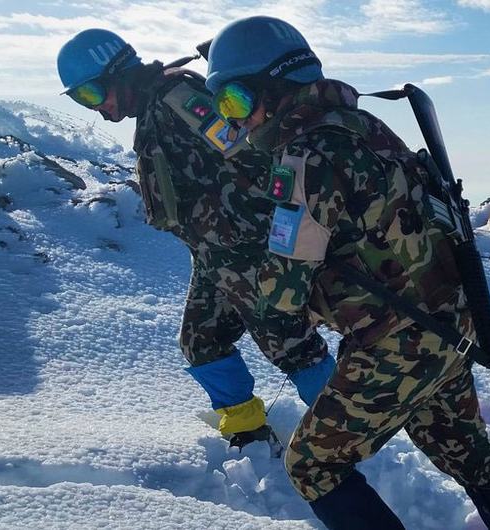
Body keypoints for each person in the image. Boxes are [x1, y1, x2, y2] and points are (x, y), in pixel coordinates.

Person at [203, 16, 490, 529]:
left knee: (313, 465)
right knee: (461, 446)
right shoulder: (367, 127)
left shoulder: (306, 155)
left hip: (395, 345)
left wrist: (241, 275)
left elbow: (285, 292)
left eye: (235, 102)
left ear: (273, 86)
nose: (237, 120)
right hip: (451, 326)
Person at [56, 29, 334, 447]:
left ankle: (346, 437)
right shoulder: (153, 109)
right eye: (82, 100)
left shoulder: (179, 100)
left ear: (119, 74)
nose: (97, 108)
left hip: (249, 249)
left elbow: (259, 151)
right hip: (214, 255)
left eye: (94, 93)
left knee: (291, 346)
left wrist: (274, 235)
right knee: (201, 340)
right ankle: (248, 434)